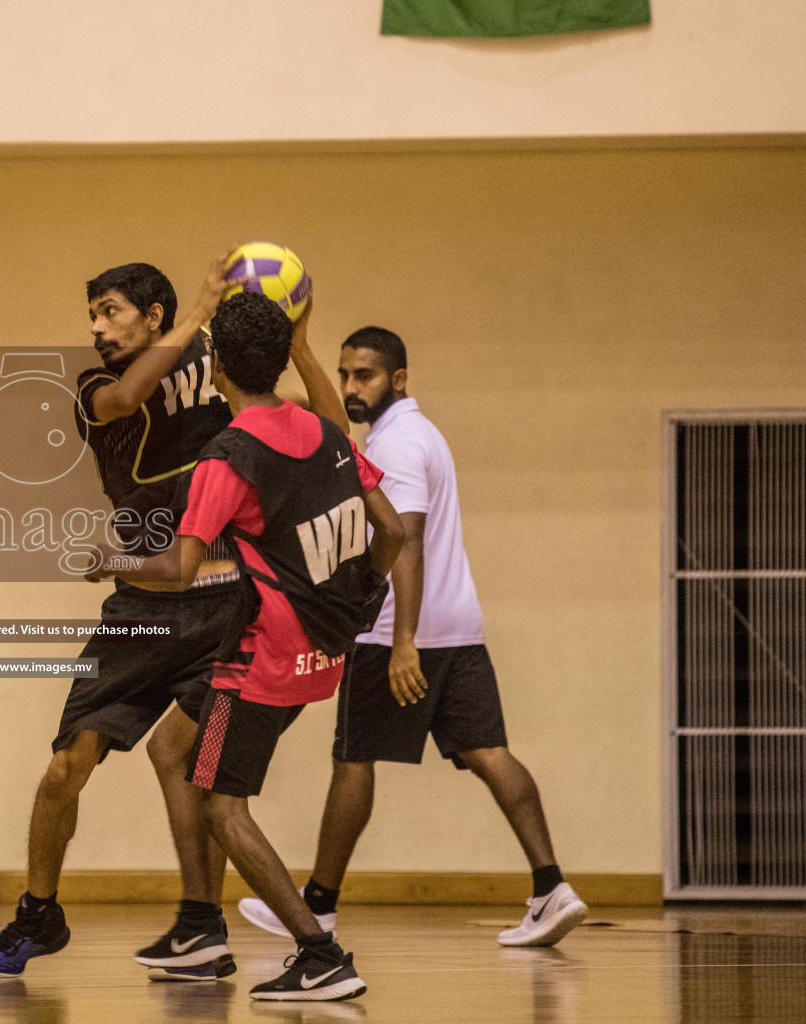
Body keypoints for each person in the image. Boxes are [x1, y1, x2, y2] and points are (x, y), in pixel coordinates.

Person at [0, 258, 347, 982]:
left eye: (110, 312)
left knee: (183, 762)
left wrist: (296, 342)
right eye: (92, 315)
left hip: (223, 607)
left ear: (152, 315)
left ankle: (202, 925)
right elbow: (122, 402)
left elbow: (326, 432)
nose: (96, 328)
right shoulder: (93, 386)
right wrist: (200, 310)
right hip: (140, 612)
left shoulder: (218, 365)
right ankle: (38, 914)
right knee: (63, 769)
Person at [91, 291, 405, 1001]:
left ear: (216, 368)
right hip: (324, 651)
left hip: (261, 657)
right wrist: (358, 601)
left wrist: (111, 561)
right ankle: (201, 929)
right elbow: (391, 533)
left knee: (218, 804)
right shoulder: (327, 433)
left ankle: (320, 954)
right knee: (173, 747)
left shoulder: (227, 456)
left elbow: (175, 570)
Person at [238, 326, 588, 948]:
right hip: (458, 627)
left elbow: (405, 537)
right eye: (345, 375)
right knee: (487, 752)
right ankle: (551, 886)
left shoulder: (398, 445)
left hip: (397, 633)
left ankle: (318, 905)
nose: (351, 388)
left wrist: (402, 641)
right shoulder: (422, 435)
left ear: (398, 379)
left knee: (353, 760)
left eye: (365, 376)